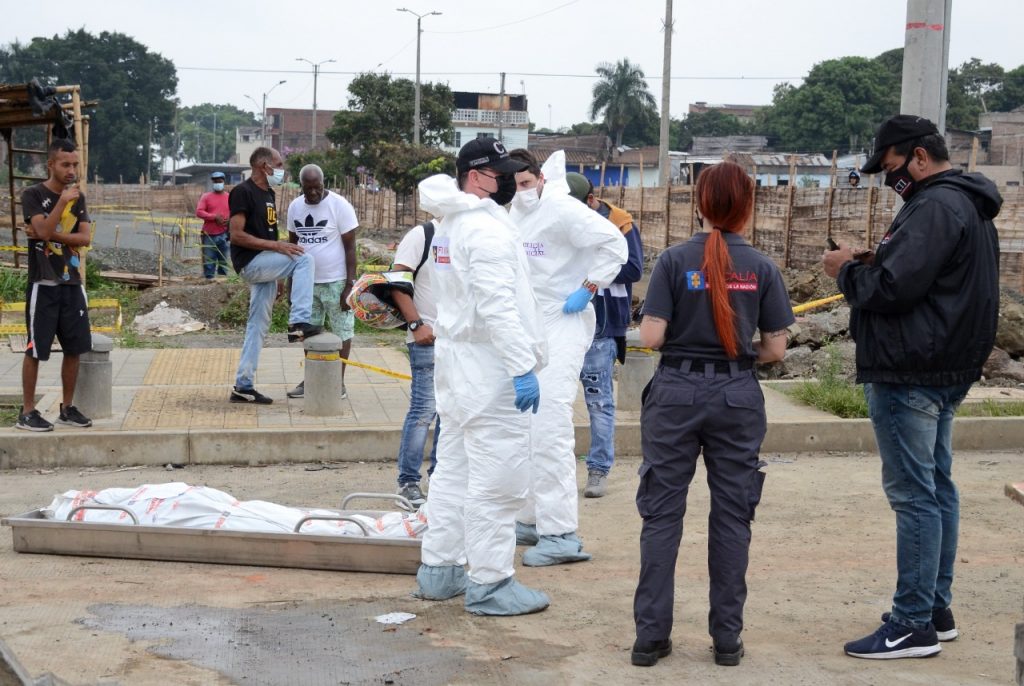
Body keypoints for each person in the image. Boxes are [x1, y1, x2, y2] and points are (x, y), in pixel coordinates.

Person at [823, 115, 1001, 660]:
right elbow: (928, 277)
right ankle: (935, 610)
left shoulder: (934, 206)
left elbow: (894, 289)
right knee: (936, 488)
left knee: (915, 496)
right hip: (943, 367)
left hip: (910, 371)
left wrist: (844, 271)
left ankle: (912, 623)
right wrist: (873, 259)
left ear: (919, 156)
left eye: (890, 167)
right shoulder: (965, 203)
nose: (888, 178)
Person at [632, 161, 793, 668]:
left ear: (699, 204)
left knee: (662, 514)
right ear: (748, 207)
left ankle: (650, 639)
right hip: (737, 396)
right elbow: (776, 350)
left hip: (675, 394)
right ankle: (726, 640)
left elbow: (651, 337)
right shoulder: (762, 267)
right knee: (732, 516)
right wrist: (737, 355)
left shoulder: (673, 260)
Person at [414, 136, 549, 616]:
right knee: (499, 479)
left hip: (457, 365)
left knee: (453, 472)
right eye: (501, 173)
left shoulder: (450, 223)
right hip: (489, 368)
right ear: (475, 177)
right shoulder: (484, 230)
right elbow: (498, 307)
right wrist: (521, 367)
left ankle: (440, 569)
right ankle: (491, 582)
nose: (509, 181)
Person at [507, 149, 627, 566]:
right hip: (529, 324)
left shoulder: (561, 207)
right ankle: (530, 517)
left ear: (540, 178)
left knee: (550, 425)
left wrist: (590, 285)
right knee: (524, 426)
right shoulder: (512, 211)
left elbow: (614, 244)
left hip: (564, 319)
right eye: (513, 186)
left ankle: (560, 533)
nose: (521, 191)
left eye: (526, 183)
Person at [565, 172, 644, 499]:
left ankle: (598, 470)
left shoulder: (620, 224)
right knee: (556, 403)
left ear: (591, 200)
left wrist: (592, 276)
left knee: (599, 402)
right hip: (564, 323)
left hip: (602, 324)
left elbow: (634, 268)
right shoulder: (560, 221)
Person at [228, 147, 321, 405]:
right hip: (249, 262)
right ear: (264, 166)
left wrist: (278, 275)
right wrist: (277, 247)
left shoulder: (268, 193)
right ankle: (299, 322)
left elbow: (269, 236)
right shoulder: (242, 192)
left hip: (266, 265)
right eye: (279, 165)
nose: (282, 170)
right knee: (304, 259)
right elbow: (236, 235)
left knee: (257, 325)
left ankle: (243, 385)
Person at [16, 138, 95, 432]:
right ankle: (27, 411)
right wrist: (60, 204)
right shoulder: (33, 194)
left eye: (75, 164)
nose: (71, 170)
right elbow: (43, 228)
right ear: (51, 165)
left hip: (72, 282)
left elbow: (84, 238)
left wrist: (48, 235)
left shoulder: (79, 198)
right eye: (65, 164)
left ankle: (67, 408)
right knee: (35, 348)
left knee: (75, 347)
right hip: (43, 281)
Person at [285, 164, 358, 400]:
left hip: (336, 282)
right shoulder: (295, 207)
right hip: (306, 283)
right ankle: (312, 380)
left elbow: (350, 248)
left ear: (323, 183)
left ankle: (338, 382)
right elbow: (292, 246)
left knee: (342, 331)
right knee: (308, 331)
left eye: (317, 187)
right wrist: (291, 284)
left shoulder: (339, 205)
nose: (314, 192)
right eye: (308, 188)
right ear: (301, 186)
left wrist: (349, 286)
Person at [390, 218, 441, 508]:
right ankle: (407, 483)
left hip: (457, 342)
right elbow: (397, 283)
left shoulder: (468, 232)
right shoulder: (423, 234)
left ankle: (440, 479)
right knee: (424, 411)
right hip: (426, 339)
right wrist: (416, 325)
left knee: (450, 413)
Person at [195, 171, 230, 279]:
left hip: (225, 234)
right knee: (209, 261)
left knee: (223, 260)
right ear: (213, 183)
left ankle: (222, 281)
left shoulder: (229, 197)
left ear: (224, 182)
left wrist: (229, 220)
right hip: (209, 235)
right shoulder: (206, 197)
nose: (218, 183)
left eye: (220, 181)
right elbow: (199, 212)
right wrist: (214, 217)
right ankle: (209, 280)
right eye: (215, 181)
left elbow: (235, 212)